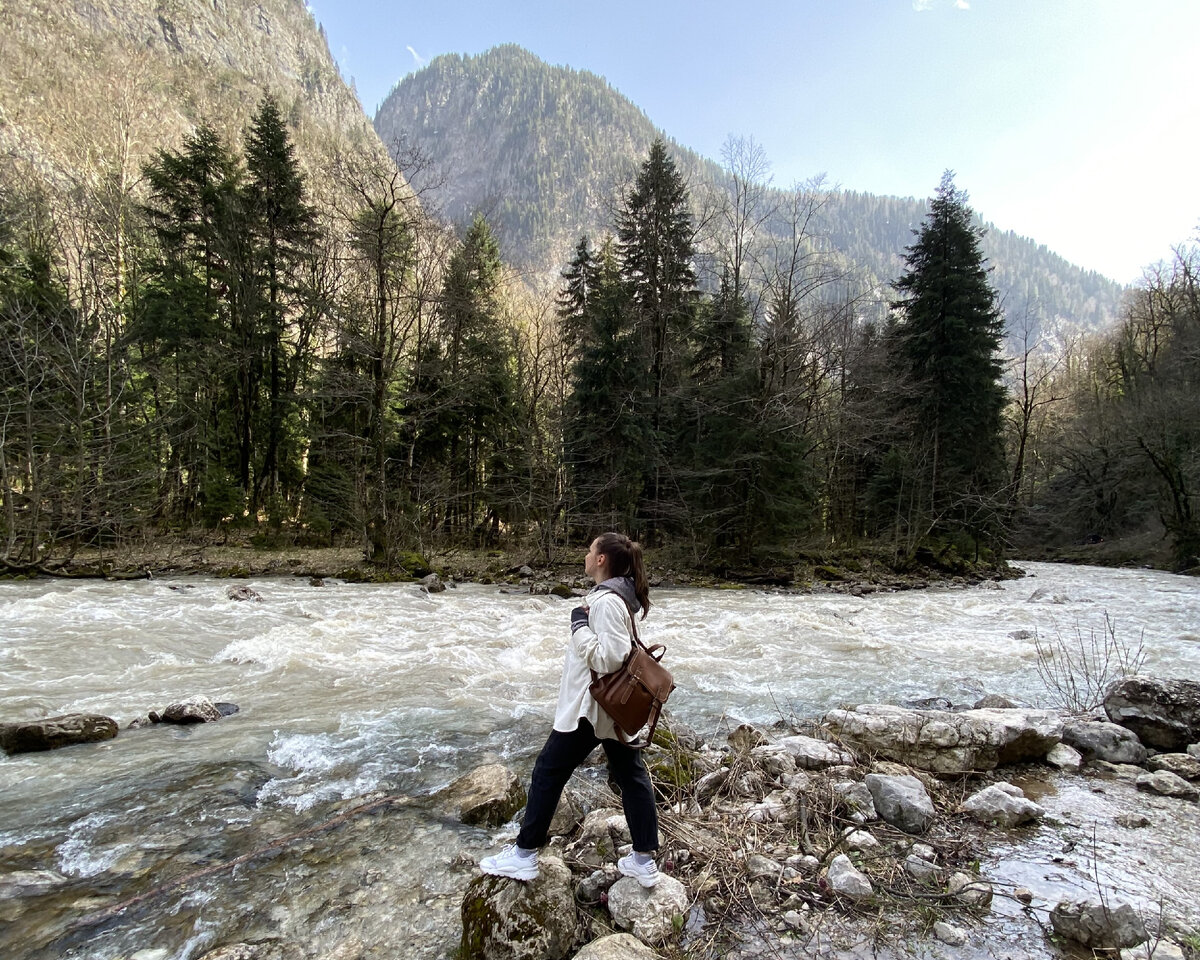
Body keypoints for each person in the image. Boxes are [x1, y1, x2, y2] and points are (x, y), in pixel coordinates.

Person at [479, 531, 661, 886]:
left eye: (590, 550)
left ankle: (525, 854)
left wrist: (578, 626)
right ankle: (643, 860)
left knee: (548, 771)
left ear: (601, 560)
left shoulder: (607, 602)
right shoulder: (614, 598)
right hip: (610, 708)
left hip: (592, 709)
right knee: (632, 777)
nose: (586, 554)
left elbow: (611, 658)